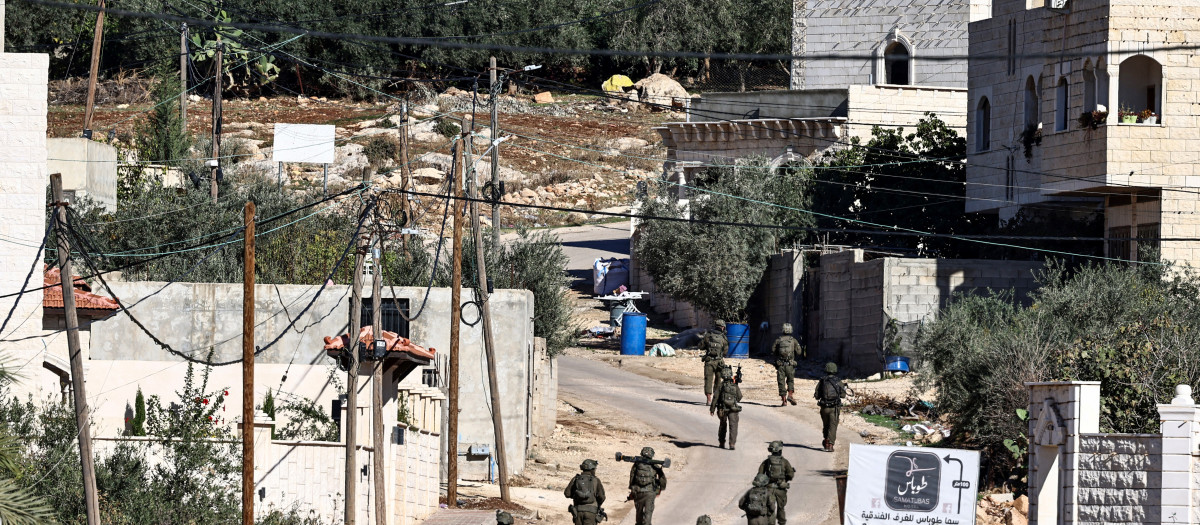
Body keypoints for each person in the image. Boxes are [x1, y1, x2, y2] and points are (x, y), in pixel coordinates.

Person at [757, 441, 795, 525]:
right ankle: (782, 522)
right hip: (781, 488)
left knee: (770, 508)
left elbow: (760, 476)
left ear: (771, 450)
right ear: (780, 450)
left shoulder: (766, 462)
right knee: (781, 508)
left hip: (769, 488)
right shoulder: (785, 462)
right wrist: (785, 480)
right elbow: (791, 475)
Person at [628, 447, 667, 525]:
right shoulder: (654, 465)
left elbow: (632, 477)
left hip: (638, 492)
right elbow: (662, 478)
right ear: (652, 455)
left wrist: (632, 490)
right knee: (648, 515)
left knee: (638, 514)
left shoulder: (637, 464)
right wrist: (661, 488)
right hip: (649, 493)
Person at [815, 362, 847, 452]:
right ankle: (830, 445)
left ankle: (826, 441)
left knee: (826, 425)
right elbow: (843, 395)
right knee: (833, 426)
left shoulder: (822, 381)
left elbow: (817, 395)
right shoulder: (838, 381)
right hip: (834, 408)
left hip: (824, 408)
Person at [565, 459, 606, 525]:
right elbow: (602, 497)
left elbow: (567, 494)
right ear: (591, 469)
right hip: (591, 513)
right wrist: (598, 505)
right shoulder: (596, 480)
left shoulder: (576, 479)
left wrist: (576, 495)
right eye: (594, 469)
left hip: (578, 512)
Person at [710, 365, 742, 449]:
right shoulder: (734, 386)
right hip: (733, 409)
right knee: (733, 426)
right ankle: (732, 444)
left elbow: (715, 397)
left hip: (722, 409)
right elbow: (739, 398)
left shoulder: (720, 386)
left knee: (722, 425)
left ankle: (721, 443)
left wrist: (712, 409)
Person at [772, 323, 803, 406]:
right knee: (790, 380)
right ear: (791, 330)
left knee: (781, 382)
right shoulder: (793, 340)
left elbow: (773, 351)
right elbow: (799, 352)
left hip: (780, 365)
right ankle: (790, 395)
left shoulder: (778, 340)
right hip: (790, 365)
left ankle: (784, 400)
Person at [701, 320, 728, 404]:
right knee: (718, 380)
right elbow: (725, 352)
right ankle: (715, 399)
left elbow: (701, 346)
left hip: (709, 361)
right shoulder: (724, 337)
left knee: (708, 379)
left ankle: (708, 398)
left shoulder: (708, 335)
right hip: (719, 361)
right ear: (723, 327)